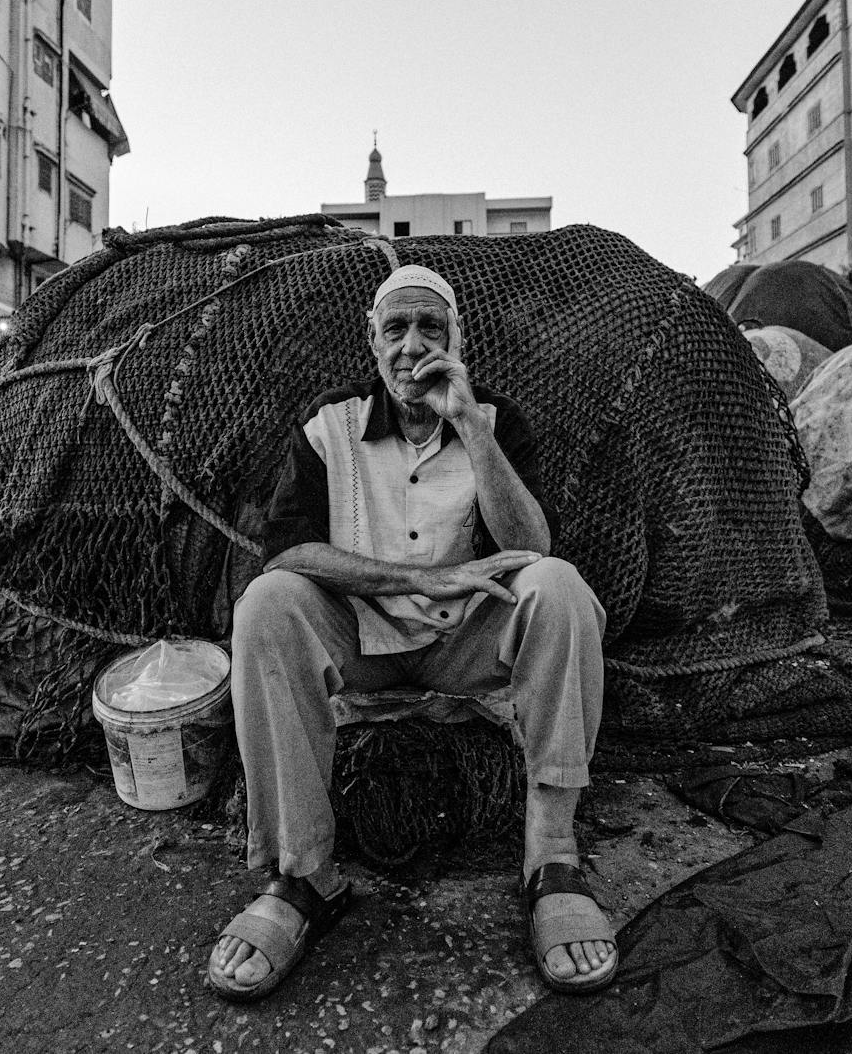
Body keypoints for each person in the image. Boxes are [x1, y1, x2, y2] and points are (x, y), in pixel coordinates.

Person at [205, 264, 616, 1002]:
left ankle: (552, 856)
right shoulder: (329, 424)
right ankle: (303, 878)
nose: (412, 344)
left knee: (561, 589)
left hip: (465, 645)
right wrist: (415, 579)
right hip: (358, 641)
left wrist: (466, 422)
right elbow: (288, 551)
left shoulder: (495, 419)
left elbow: (534, 545)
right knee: (266, 602)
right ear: (372, 339)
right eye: (396, 327)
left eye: (432, 326)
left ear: (459, 339)